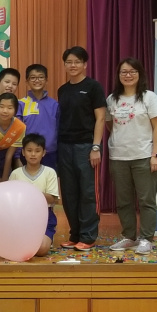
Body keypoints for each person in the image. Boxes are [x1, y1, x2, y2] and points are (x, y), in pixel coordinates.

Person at [105, 58, 157, 255]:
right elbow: (110, 125)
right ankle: (129, 237)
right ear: (118, 75)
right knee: (124, 201)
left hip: (144, 156)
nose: (128, 75)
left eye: (132, 71)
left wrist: (156, 154)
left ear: (140, 74)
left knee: (147, 200)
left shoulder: (149, 97)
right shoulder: (111, 99)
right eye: (124, 72)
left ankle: (146, 238)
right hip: (118, 157)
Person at [57, 46, 107, 252]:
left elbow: (100, 118)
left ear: (85, 64)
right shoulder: (62, 90)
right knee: (69, 193)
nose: (73, 65)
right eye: (69, 62)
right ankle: (75, 235)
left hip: (86, 146)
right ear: (64, 65)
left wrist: (96, 147)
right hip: (64, 146)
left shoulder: (93, 87)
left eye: (77, 61)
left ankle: (88, 236)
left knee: (88, 192)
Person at [9, 134, 59, 257]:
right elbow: (10, 201)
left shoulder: (50, 172)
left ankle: (47, 239)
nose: (33, 154)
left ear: (43, 153)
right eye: (29, 150)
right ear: (23, 152)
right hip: (21, 218)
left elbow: (53, 199)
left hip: (44, 216)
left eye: (37, 151)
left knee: (41, 250)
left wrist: (32, 193)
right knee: (18, 249)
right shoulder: (16, 174)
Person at [18, 65, 60, 170]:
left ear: (46, 81)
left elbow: (59, 129)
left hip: (50, 153)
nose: (37, 80)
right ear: (27, 82)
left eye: (41, 77)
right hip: (27, 154)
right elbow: (17, 132)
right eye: (33, 77)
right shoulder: (21, 104)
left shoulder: (54, 104)